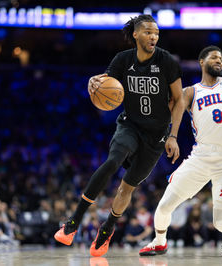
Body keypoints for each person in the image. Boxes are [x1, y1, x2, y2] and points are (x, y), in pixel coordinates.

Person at [54, 14, 186, 257]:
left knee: (127, 188)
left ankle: (107, 229)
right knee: (113, 161)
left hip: (156, 136)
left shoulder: (166, 61)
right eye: (148, 32)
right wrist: (94, 82)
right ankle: (73, 222)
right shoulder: (123, 60)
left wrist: (174, 136)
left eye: (156, 33)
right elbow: (103, 83)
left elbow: (179, 100)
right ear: (135, 34)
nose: (153, 36)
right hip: (130, 126)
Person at [138, 45, 222, 257]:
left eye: (221, 58)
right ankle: (159, 241)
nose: (219, 61)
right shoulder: (191, 92)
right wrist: (172, 136)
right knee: (164, 206)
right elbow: (174, 109)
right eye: (214, 57)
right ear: (201, 62)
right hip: (200, 158)